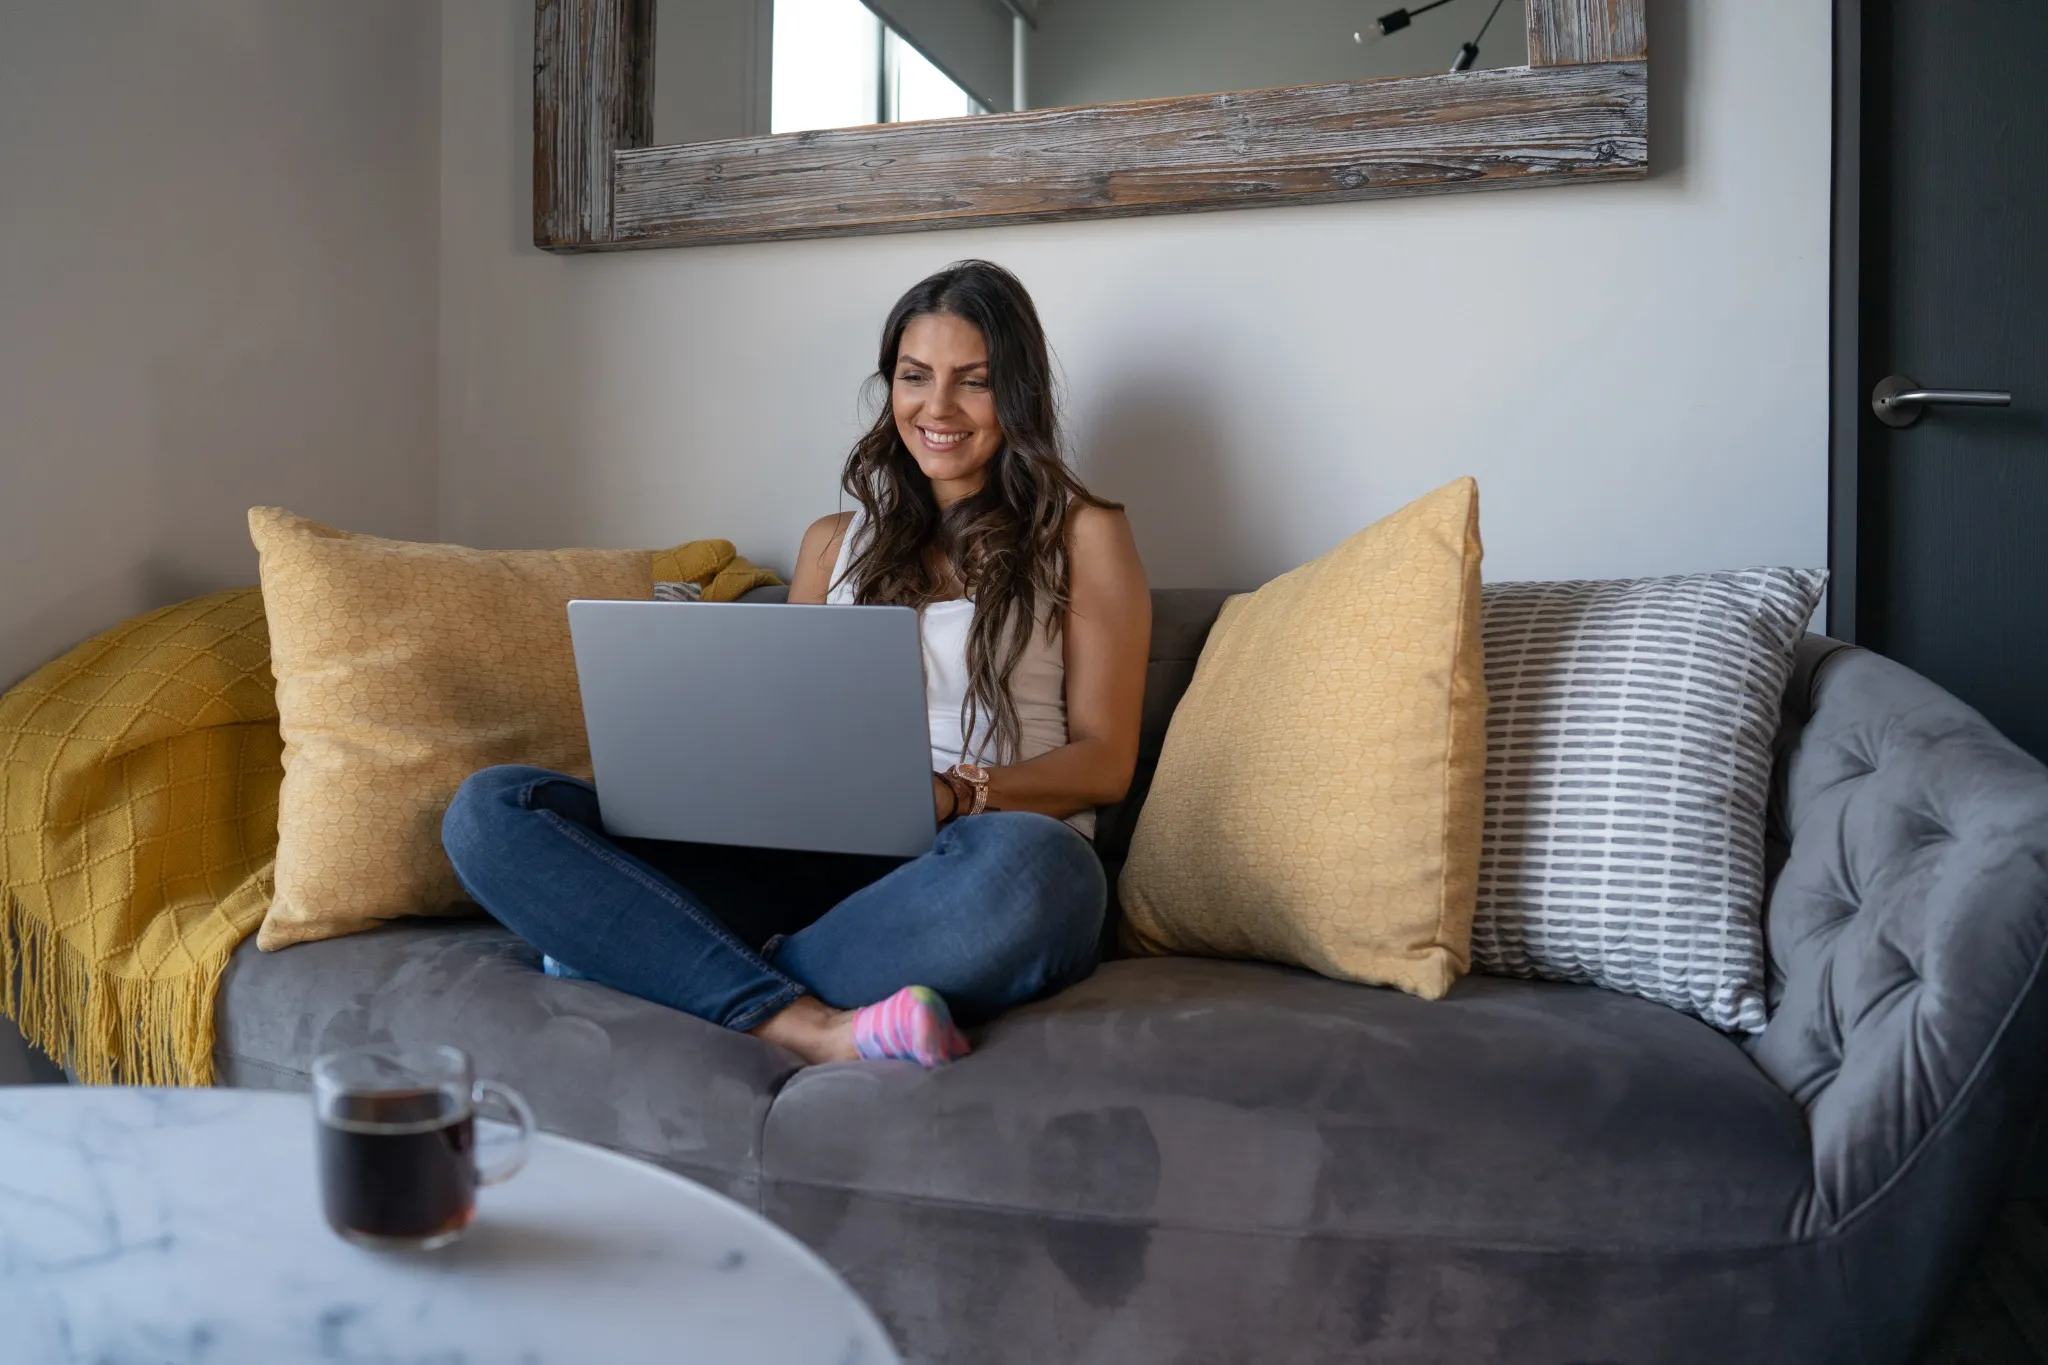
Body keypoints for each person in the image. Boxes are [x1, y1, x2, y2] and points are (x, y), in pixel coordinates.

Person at [441, 260, 1151, 1069]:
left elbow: (1106, 762)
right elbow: (785, 731)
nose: (938, 408)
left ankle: (660, 961)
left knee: (1047, 872)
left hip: (963, 862)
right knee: (491, 808)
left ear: (1016, 396)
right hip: (803, 862)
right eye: (914, 377)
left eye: (974, 382)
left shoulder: (1083, 532)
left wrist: (957, 794)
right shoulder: (832, 541)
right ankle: (809, 1025)